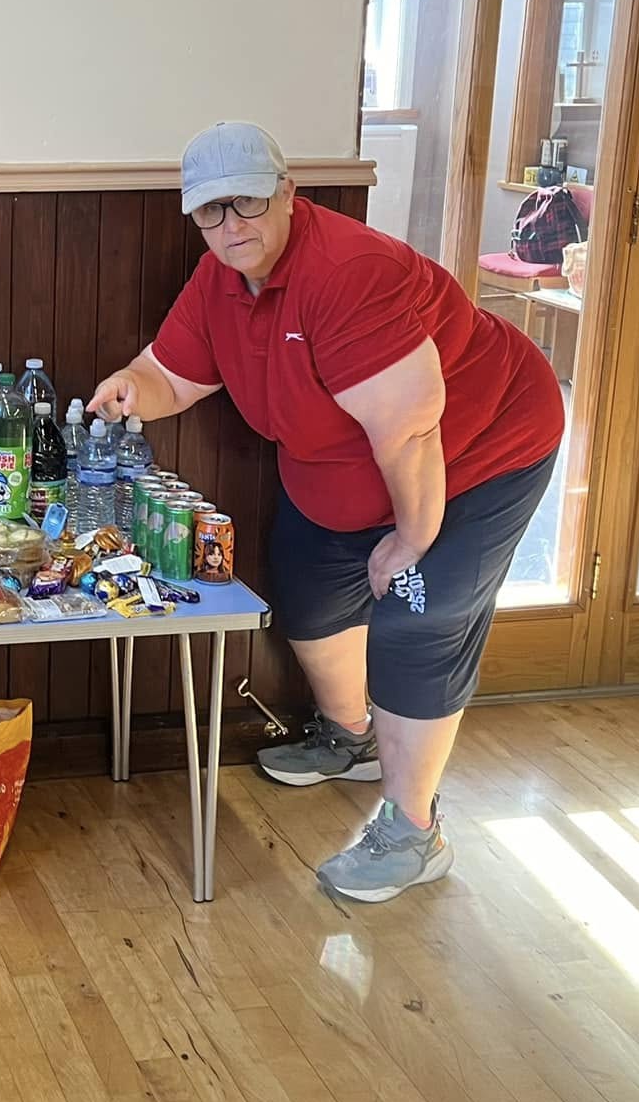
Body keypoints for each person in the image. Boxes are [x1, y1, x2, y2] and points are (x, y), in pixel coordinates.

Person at [88, 121, 562, 902]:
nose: (230, 226)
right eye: (210, 213)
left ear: (286, 194)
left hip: (477, 451)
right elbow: (169, 373)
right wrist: (132, 389)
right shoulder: (220, 278)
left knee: (420, 619)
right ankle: (353, 737)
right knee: (308, 598)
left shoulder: (348, 273)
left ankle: (415, 831)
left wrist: (412, 539)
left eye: (246, 203)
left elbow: (410, 431)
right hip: (348, 467)